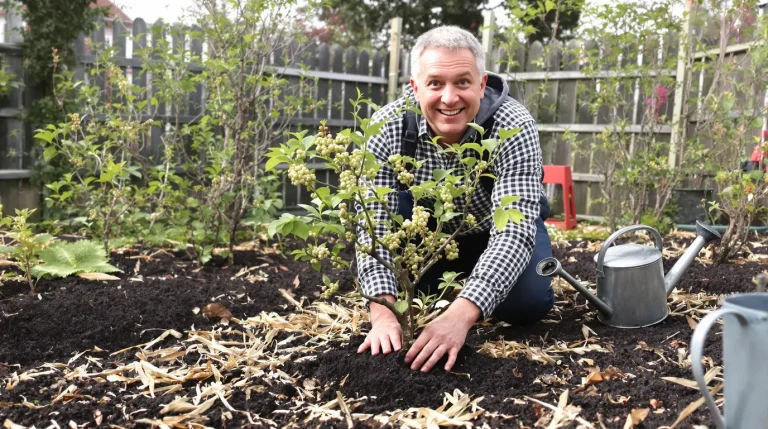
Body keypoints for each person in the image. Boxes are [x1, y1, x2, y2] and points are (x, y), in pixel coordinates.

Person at [355, 25, 554, 373]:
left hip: (496, 229)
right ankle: (448, 283)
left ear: (481, 83)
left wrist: (460, 316)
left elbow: (514, 231)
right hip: (429, 238)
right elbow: (374, 224)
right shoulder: (388, 126)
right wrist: (383, 312)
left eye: (462, 82)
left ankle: (469, 287)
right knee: (410, 295)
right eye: (435, 84)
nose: (449, 98)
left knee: (528, 305)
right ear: (415, 88)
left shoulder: (513, 125)